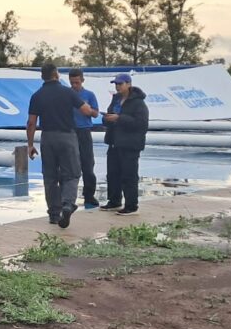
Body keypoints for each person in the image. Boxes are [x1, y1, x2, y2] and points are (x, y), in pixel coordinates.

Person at [26, 63, 100, 229]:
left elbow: (31, 122)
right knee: (72, 173)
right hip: (67, 136)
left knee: (50, 177)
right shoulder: (68, 92)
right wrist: (91, 110)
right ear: (56, 75)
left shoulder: (37, 95)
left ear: (42, 77)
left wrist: (30, 145)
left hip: (47, 137)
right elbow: (87, 111)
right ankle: (67, 204)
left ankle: (53, 214)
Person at [101, 73, 149, 216]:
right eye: (115, 84)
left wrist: (120, 118)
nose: (117, 87)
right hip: (114, 143)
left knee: (129, 175)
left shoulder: (138, 103)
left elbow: (141, 124)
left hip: (130, 145)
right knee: (113, 174)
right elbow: (109, 117)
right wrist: (107, 119)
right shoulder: (116, 100)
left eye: (120, 84)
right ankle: (114, 200)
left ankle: (131, 205)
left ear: (128, 84)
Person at [67, 68, 101, 208]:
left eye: (77, 82)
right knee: (69, 166)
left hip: (84, 131)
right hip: (70, 132)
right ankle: (69, 198)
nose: (75, 85)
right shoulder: (66, 94)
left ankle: (89, 195)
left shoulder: (89, 95)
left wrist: (87, 110)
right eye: (72, 83)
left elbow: (95, 113)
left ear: (82, 80)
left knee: (88, 165)